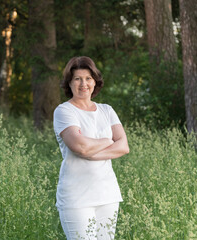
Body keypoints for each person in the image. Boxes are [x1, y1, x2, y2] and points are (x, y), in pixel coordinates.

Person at [53, 56, 130, 240]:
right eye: (77, 79)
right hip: (76, 198)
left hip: (107, 195)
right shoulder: (64, 111)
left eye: (88, 78)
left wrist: (93, 152)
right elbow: (80, 147)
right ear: (69, 83)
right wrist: (107, 140)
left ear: (95, 81)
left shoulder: (106, 110)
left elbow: (123, 146)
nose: (83, 84)